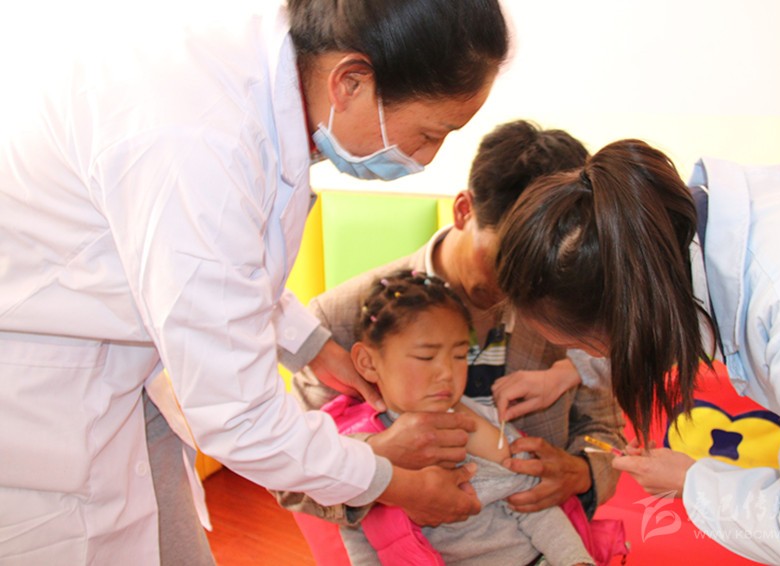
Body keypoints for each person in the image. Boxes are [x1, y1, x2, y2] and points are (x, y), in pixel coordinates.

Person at [0, 0, 509, 563]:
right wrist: (391, 482)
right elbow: (240, 416)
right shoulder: (198, 138)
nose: (427, 159)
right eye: (431, 133)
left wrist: (311, 345)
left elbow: (227, 264)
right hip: (42, 407)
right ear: (351, 82)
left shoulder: (256, 80)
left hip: (115, 376)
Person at [494, 138, 780, 565]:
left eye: (585, 347)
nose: (598, 360)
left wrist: (695, 483)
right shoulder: (691, 238)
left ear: (626, 319)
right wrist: (567, 372)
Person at [279, 121, 623, 526]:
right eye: (508, 260)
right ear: (463, 210)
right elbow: (290, 484)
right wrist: (378, 461)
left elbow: (605, 433)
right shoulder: (339, 320)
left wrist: (582, 473)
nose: (526, 290)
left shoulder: (563, 306)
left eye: (541, 269)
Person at [325, 270, 597, 565]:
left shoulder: (479, 420)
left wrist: (575, 560)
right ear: (367, 362)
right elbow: (360, 535)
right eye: (426, 357)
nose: (446, 373)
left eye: (459, 356)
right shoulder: (356, 448)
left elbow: (531, 500)